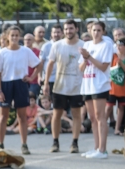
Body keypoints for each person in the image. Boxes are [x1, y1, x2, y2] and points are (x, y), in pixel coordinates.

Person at [0, 26, 41, 155]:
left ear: (19, 36)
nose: (14, 38)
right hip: (6, 84)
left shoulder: (25, 51)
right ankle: (0, 144)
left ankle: (24, 144)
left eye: (16, 35)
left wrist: (31, 77)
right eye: (12, 35)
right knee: (3, 116)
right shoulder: (2, 52)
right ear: (8, 37)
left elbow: (38, 64)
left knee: (22, 116)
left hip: (21, 83)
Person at [43, 20, 84, 154]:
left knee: (76, 115)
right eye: (66, 29)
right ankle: (55, 142)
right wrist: (46, 83)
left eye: (71, 29)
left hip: (76, 86)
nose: (68, 31)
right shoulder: (57, 45)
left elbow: (85, 65)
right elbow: (50, 64)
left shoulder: (83, 45)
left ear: (76, 29)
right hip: (59, 86)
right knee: (57, 114)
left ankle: (75, 143)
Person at [79, 21, 114, 159]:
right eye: (94, 30)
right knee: (92, 117)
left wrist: (89, 57)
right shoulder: (86, 45)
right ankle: (96, 147)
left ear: (103, 31)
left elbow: (103, 67)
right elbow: (81, 68)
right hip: (87, 84)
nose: (96, 33)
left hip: (99, 84)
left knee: (100, 116)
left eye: (99, 30)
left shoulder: (106, 45)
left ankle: (103, 150)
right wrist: (84, 59)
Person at [108, 37, 125, 136]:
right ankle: (102, 126)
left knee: (121, 108)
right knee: (108, 107)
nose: (118, 47)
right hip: (112, 86)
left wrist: (121, 64)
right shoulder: (113, 56)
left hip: (123, 86)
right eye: (117, 45)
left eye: (120, 45)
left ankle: (117, 128)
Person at [38, 24, 63, 97]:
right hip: (49, 79)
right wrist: (39, 76)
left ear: (62, 33)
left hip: (62, 79)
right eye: (54, 32)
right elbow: (41, 62)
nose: (56, 34)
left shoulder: (65, 45)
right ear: (51, 34)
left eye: (58, 32)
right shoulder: (46, 46)